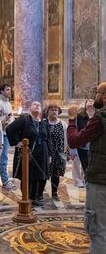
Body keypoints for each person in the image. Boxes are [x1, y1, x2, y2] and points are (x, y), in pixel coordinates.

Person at [67, 82, 106, 253]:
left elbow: (75, 141)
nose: (94, 95)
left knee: (98, 229)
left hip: (100, 181)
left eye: (96, 92)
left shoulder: (101, 118)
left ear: (104, 96)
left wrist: (71, 119)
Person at [6, 101, 50, 206]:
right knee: (28, 175)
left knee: (38, 176)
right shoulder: (24, 119)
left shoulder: (43, 122)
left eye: (39, 105)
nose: (37, 106)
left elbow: (48, 138)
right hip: (27, 153)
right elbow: (9, 129)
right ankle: (26, 197)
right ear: (30, 108)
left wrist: (50, 154)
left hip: (42, 153)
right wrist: (16, 142)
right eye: (35, 104)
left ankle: (34, 197)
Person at [0, 83, 16, 190]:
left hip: (7, 133)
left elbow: (10, 118)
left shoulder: (8, 103)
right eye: (7, 90)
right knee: (0, 158)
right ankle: (4, 181)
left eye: (10, 89)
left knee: (3, 158)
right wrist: (5, 119)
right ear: (1, 91)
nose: (9, 92)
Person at [45, 104, 67, 201]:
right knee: (43, 173)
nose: (54, 111)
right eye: (51, 110)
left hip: (58, 153)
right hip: (46, 152)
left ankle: (54, 193)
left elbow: (66, 139)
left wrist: (67, 151)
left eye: (56, 110)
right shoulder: (43, 123)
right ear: (47, 112)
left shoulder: (62, 124)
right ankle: (39, 193)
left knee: (56, 174)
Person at [76, 99, 95, 174]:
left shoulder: (99, 115)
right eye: (88, 101)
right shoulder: (80, 116)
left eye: (92, 101)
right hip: (83, 147)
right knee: (85, 168)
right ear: (85, 105)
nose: (90, 102)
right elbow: (76, 130)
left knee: (94, 168)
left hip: (95, 147)